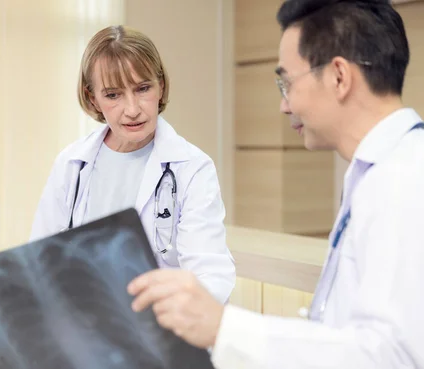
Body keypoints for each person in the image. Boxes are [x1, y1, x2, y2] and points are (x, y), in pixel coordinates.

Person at [127, 0, 424, 368]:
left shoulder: (405, 179)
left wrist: (224, 330)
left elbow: (394, 356)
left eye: (287, 82)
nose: (284, 105)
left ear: (338, 77)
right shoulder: (376, 172)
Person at [30, 25, 236, 303]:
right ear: (94, 99)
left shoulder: (192, 168)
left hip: (160, 331)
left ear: (160, 87)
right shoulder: (72, 164)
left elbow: (210, 276)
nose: (132, 109)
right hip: (84, 329)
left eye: (142, 88)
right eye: (113, 95)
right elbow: (41, 261)